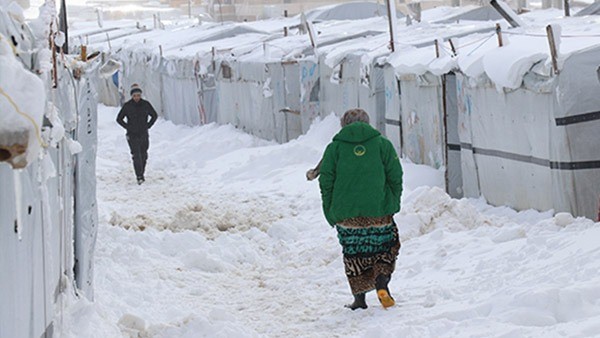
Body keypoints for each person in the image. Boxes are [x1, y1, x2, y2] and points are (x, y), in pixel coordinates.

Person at [318, 108, 403, 310]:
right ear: (368, 123)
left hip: (347, 217)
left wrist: (330, 210)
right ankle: (382, 283)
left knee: (354, 254)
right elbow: (396, 175)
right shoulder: (383, 144)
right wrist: (392, 201)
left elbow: (326, 181)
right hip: (379, 214)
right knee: (384, 249)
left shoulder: (334, 148)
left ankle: (359, 300)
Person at [116, 84, 158, 185]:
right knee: (136, 155)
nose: (137, 97)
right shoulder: (127, 106)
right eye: (135, 96)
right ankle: (139, 176)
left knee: (144, 154)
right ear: (132, 96)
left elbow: (154, 115)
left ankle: (142, 171)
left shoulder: (145, 104)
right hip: (132, 134)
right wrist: (128, 127)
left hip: (143, 133)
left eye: (138, 95)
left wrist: (148, 125)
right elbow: (119, 119)